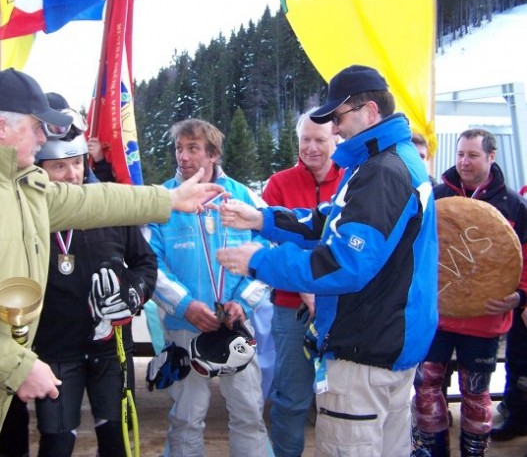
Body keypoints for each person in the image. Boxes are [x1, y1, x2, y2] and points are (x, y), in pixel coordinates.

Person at [0, 69, 222, 457]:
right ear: (1, 128)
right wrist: (18, 367)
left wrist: (166, 200)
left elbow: (88, 201)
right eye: (37, 128)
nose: (45, 139)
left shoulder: (12, 184)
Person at [215, 64, 438, 457]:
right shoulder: (385, 160)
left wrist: (259, 261)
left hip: (365, 348)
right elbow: (329, 219)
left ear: (369, 112)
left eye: (338, 118)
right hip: (389, 342)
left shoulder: (383, 171)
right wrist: (264, 219)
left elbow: (345, 262)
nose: (334, 129)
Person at [0, 92, 158, 457]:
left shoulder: (110, 206)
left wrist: (132, 294)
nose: (72, 175)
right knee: (56, 443)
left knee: (116, 442)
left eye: (78, 163)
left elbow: (146, 264)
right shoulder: (21, 214)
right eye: (59, 167)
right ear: (38, 169)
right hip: (54, 351)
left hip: (111, 349)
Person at [145, 118, 273, 457]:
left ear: (213, 154)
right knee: (186, 419)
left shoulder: (244, 197)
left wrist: (244, 302)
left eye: (193, 149)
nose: (182, 157)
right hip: (186, 326)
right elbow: (150, 264)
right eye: (178, 148)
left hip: (236, 325)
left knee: (248, 414)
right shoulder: (163, 202)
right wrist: (185, 305)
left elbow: (269, 254)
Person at [412, 128, 527, 456]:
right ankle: (432, 450)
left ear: (491, 157)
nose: (464, 161)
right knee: (426, 387)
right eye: (460, 154)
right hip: (436, 316)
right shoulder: (434, 196)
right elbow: (414, 252)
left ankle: (474, 452)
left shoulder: (514, 205)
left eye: (473, 155)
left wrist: (520, 296)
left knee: (475, 394)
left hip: (485, 319)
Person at [261, 109, 343, 456]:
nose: (311, 147)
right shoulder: (278, 184)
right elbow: (271, 245)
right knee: (292, 398)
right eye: (304, 139)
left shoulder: (352, 180)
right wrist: (304, 287)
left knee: (341, 401)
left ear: (336, 140)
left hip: (343, 309)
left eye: (319, 140)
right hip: (291, 308)